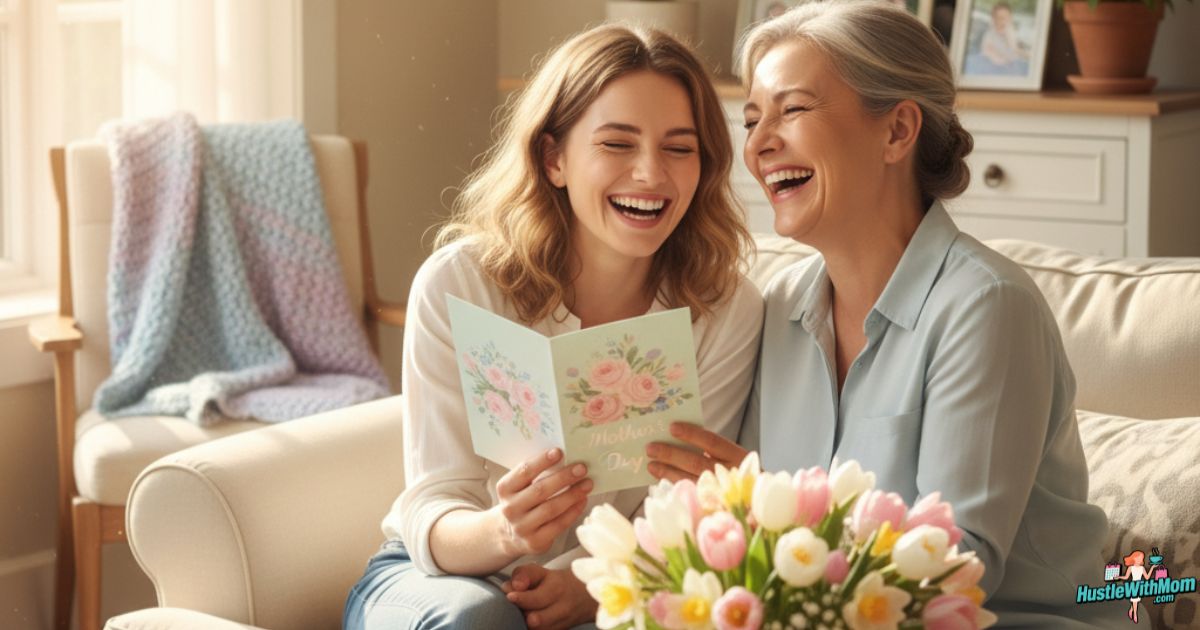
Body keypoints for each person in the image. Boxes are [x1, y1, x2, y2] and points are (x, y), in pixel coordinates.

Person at [645, 1, 1121, 626]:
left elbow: (957, 567)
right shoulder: (781, 305)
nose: (758, 145)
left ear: (898, 131)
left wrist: (768, 508)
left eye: (792, 109)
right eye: (752, 119)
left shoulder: (985, 307)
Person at [343, 23, 763, 630]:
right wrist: (503, 530)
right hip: (442, 579)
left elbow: (677, 506)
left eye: (679, 147)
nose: (651, 174)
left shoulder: (725, 308)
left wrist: (591, 584)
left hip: (617, 584)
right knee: (477, 620)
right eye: (617, 144)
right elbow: (434, 504)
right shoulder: (461, 285)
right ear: (554, 158)